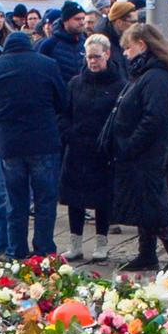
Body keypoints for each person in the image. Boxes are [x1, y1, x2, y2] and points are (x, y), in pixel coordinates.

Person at [0, 27, 70, 259]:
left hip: (10, 145)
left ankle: (16, 250)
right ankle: (44, 249)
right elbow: (62, 101)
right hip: (44, 142)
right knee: (45, 201)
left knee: (16, 201)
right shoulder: (48, 65)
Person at [103, 23, 168, 273]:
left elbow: (154, 118)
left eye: (128, 48)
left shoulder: (155, 76)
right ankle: (146, 254)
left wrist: (130, 144)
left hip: (147, 155)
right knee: (143, 204)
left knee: (154, 206)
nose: (125, 53)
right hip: (139, 154)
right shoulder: (144, 73)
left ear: (142, 45)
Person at [60, 35, 124, 263]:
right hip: (77, 149)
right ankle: (75, 243)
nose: (93, 62)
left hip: (103, 152)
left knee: (102, 199)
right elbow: (65, 113)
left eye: (97, 56)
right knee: (74, 198)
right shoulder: (76, 83)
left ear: (107, 54)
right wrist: (68, 134)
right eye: (89, 57)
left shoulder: (119, 85)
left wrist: (111, 143)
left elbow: (121, 119)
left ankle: (101, 243)